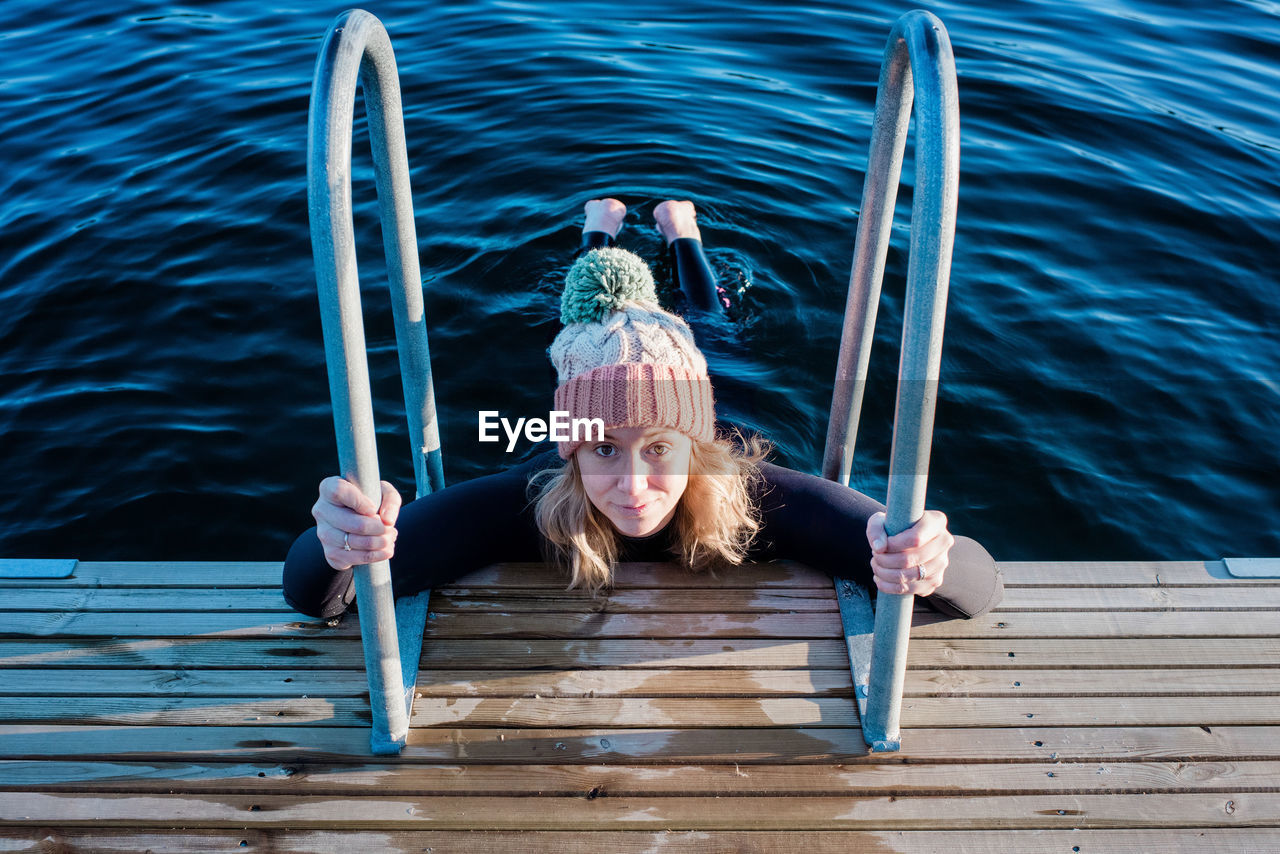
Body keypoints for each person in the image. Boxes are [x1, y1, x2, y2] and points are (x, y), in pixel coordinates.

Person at [282, 199, 1003, 619]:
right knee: (584, 313)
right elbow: (321, 598)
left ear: (694, 446)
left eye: (659, 448)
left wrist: (927, 559)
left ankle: (678, 229)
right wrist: (341, 541)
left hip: (704, 387)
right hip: (594, 399)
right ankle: (597, 234)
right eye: (603, 449)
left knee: (710, 323)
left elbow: (976, 587)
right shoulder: (534, 497)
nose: (632, 487)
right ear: (571, 444)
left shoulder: (751, 498)